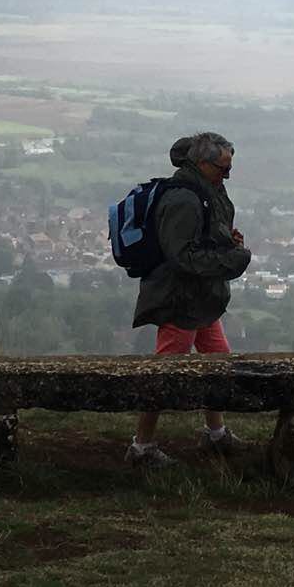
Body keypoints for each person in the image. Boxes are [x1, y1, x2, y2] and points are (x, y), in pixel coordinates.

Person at [126, 132, 252, 467]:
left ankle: (215, 434)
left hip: (202, 298)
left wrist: (228, 240)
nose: (227, 174)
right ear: (201, 163)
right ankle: (142, 446)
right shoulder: (183, 198)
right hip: (180, 300)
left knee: (217, 362)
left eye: (229, 168)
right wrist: (233, 261)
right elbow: (183, 256)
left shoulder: (207, 189)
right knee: (164, 372)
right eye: (222, 168)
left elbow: (209, 232)